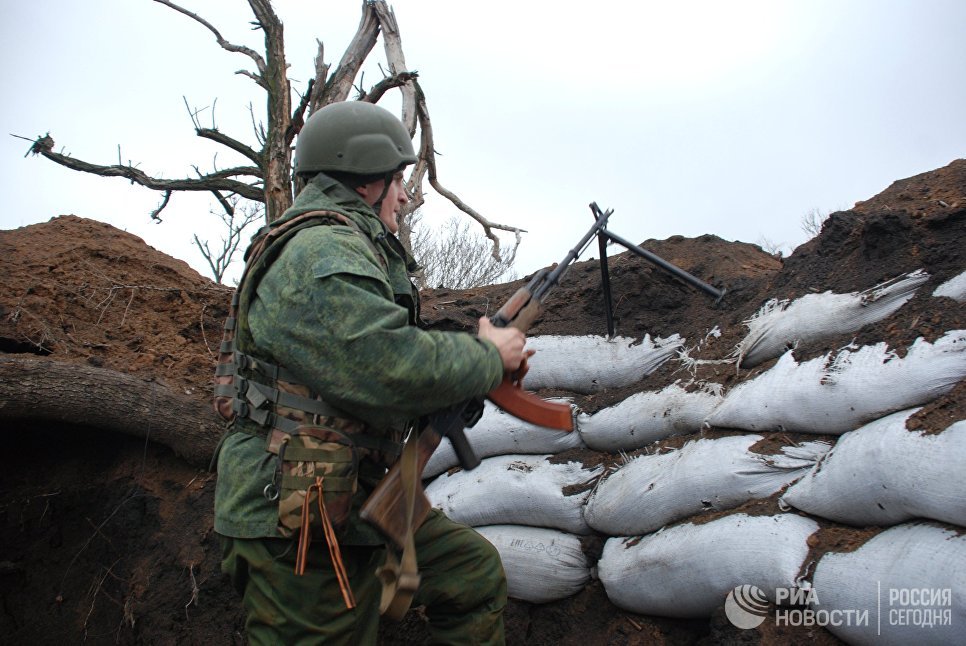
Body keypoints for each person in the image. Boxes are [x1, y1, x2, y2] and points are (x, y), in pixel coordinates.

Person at [213, 100, 525, 645]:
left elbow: (355, 375)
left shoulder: (347, 245)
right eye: (398, 178)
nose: (405, 195)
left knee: (469, 574)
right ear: (364, 181)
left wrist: (452, 389)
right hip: (296, 514)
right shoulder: (319, 250)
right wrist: (487, 358)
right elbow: (382, 364)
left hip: (351, 496)